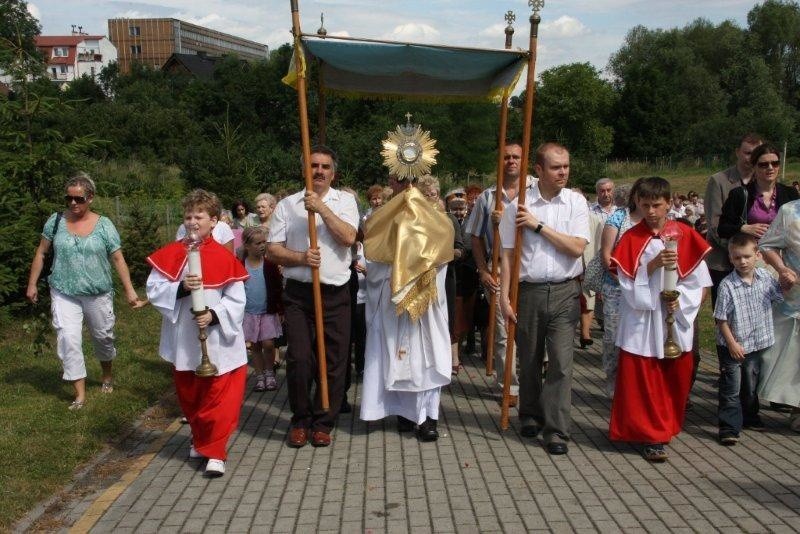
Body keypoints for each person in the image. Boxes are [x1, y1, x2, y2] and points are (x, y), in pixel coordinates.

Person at [146, 189, 249, 476]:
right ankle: (201, 438)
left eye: (199, 216)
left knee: (219, 395)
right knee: (192, 395)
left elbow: (238, 298)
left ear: (213, 221)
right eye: (188, 216)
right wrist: (181, 288)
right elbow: (154, 289)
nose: (192, 221)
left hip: (219, 340)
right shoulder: (172, 253)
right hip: (186, 339)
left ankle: (216, 451)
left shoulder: (224, 256)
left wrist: (214, 315)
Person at [608, 177, 712, 462]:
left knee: (674, 377)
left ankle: (665, 427)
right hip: (642, 320)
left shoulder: (685, 234)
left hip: (674, 317)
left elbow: (700, 282)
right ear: (638, 204)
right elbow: (626, 285)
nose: (651, 211)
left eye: (657, 205)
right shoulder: (631, 238)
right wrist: (651, 266)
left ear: (668, 203)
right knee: (644, 379)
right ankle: (650, 435)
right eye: (645, 205)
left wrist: (681, 303)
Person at [499, 142, 590, 455]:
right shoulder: (518, 207)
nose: (563, 172)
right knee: (530, 359)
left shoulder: (576, 203)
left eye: (566, 166)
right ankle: (529, 413)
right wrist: (503, 297)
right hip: (530, 291)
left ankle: (556, 430)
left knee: (562, 364)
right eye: (556, 167)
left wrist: (538, 226)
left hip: (566, 289)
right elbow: (508, 256)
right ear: (538, 170)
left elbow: (577, 247)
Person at [26, 173, 144, 410]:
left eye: (78, 199)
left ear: (90, 198)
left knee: (103, 337)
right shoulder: (55, 221)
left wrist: (130, 291)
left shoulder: (104, 225)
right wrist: (32, 283)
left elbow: (118, 258)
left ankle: (106, 374)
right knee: (68, 338)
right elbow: (41, 252)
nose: (72, 203)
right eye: (68, 198)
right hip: (63, 290)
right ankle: (79, 394)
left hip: (97, 292)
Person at [267, 145, 359, 448]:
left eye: (325, 167)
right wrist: (301, 257)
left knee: (334, 361)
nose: (319, 171)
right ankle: (300, 419)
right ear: (305, 169)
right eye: (313, 166)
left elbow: (348, 237)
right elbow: (272, 249)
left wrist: (321, 208)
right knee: (300, 358)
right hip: (299, 294)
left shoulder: (345, 201)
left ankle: (323, 421)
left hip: (335, 294)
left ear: (333, 172)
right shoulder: (287, 205)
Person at [360, 173, 454, 441]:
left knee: (428, 358)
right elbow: (375, 259)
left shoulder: (437, 218)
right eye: (400, 180)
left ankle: (429, 418)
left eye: (411, 179)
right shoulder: (381, 217)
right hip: (395, 301)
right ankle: (403, 413)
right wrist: (397, 277)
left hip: (427, 301)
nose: (407, 186)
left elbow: (444, 254)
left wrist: (421, 277)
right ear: (391, 181)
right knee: (397, 355)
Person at [466, 140, 531, 405]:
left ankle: (531, 385)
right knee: (504, 332)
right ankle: (509, 386)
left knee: (529, 332)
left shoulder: (536, 191)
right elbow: (476, 237)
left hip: (531, 270)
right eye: (506, 157)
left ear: (524, 160)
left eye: (516, 157)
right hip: (499, 269)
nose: (511, 161)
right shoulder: (487, 197)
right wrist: (482, 270)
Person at [714, 233, 783, 445]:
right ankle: (728, 427)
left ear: (757, 255)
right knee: (731, 387)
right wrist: (732, 343)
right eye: (737, 258)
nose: (742, 262)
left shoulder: (765, 278)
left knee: (751, 383)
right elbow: (720, 319)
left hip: (755, 343)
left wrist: (788, 281)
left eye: (746, 256)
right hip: (732, 345)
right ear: (730, 258)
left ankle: (750, 416)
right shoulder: (727, 285)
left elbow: (778, 296)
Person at [704, 133, 764, 306]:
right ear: (737, 152)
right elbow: (715, 225)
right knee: (726, 315)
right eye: (747, 152)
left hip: (757, 261)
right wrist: (737, 253)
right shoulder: (718, 181)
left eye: (756, 153)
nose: (751, 157)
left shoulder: (763, 182)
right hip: (723, 261)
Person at [758, 199, 800, 431]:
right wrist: (783, 269)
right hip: (796, 297)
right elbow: (767, 245)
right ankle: (797, 407)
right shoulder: (789, 211)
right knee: (796, 357)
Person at [416, 175, 464, 374]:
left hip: (445, 277)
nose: (430, 198)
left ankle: (446, 361)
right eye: (425, 195)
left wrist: (443, 254)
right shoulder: (414, 219)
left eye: (433, 194)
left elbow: (460, 249)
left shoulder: (449, 219)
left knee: (445, 319)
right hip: (418, 278)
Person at [599, 182, 643, 398]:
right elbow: (606, 256)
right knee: (613, 335)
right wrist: (625, 279)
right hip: (617, 287)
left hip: (645, 289)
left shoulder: (654, 220)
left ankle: (634, 383)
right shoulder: (617, 218)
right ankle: (613, 378)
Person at [718, 143, 799, 244]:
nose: (770, 168)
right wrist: (744, 228)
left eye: (775, 163)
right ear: (754, 167)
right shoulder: (739, 194)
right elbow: (722, 229)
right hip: (752, 255)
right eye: (763, 165)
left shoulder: (790, 193)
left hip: (784, 254)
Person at [239, 226, 283, 392]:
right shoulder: (241, 265)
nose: (262, 246)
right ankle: (259, 376)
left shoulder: (270, 265)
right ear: (247, 245)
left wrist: (280, 310)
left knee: (269, 343)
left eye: (264, 242)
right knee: (255, 346)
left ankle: (270, 373)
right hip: (249, 313)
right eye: (258, 243)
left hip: (268, 312)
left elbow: (277, 288)